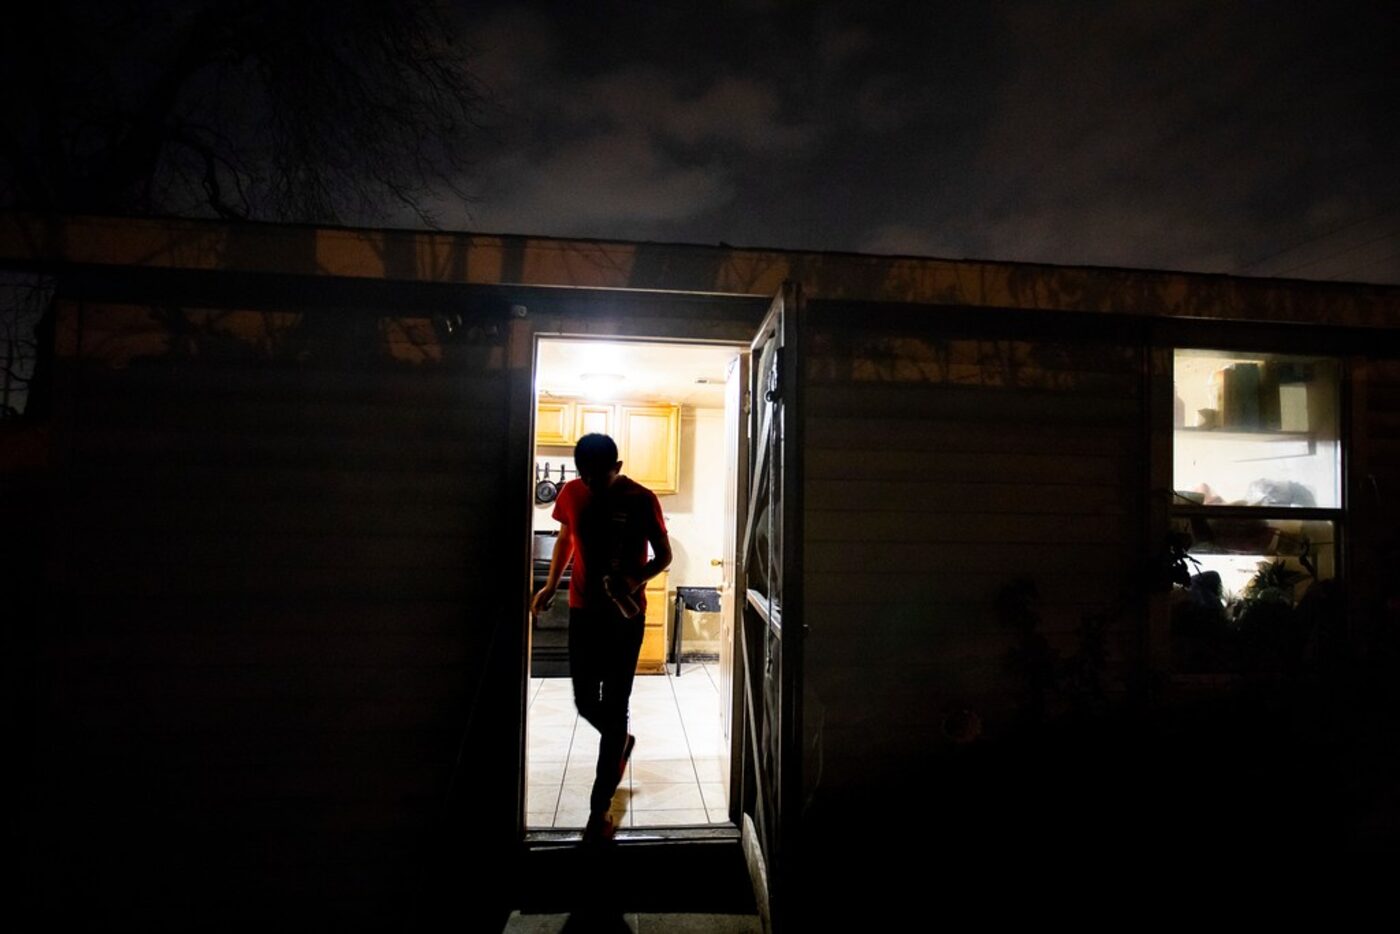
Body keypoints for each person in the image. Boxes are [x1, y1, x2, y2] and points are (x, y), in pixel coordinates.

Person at [531, 432, 672, 844]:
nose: (590, 483)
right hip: (582, 612)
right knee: (584, 701)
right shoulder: (572, 493)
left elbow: (663, 557)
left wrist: (634, 579)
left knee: (615, 706)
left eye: (598, 476)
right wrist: (551, 585)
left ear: (618, 467)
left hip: (624, 618)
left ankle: (599, 808)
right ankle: (621, 740)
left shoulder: (642, 499)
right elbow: (565, 539)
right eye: (584, 476)